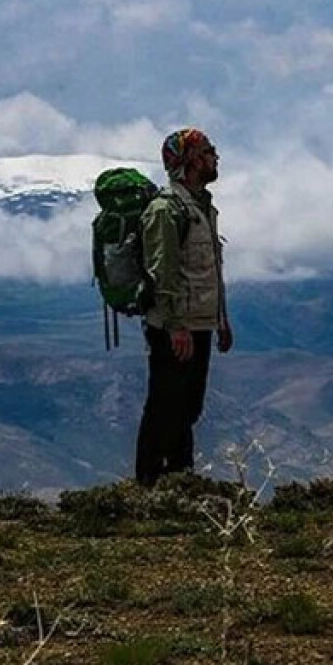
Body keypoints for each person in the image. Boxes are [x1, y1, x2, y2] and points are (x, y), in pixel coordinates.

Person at [135, 128, 233, 486]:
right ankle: (148, 483)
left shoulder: (202, 207)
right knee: (165, 406)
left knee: (187, 408)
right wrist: (176, 325)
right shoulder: (166, 210)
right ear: (190, 160)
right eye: (208, 151)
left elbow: (208, 269)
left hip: (200, 323)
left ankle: (179, 481)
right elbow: (163, 272)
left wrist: (220, 320)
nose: (214, 158)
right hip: (174, 327)